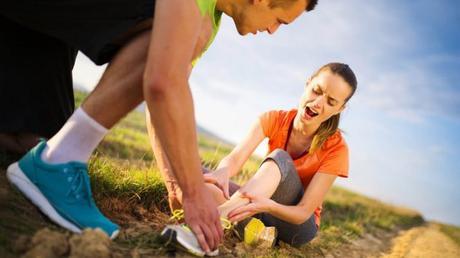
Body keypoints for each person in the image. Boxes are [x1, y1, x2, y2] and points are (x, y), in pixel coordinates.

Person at [2, 0, 318, 254]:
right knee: (180, 31)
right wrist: (193, 191)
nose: (274, 31)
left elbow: (165, 97)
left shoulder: (210, 17)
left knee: (31, 138)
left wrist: (175, 185)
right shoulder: (199, 20)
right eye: (280, 20)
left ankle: (52, 155)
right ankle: (58, 161)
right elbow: (162, 83)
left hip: (32, 25)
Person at [161, 62, 357, 252]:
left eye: (331, 102)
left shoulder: (337, 149)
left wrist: (269, 206)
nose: (318, 102)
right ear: (308, 83)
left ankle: (210, 228)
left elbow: (303, 212)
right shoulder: (273, 119)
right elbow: (236, 159)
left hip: (296, 225)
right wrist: (223, 172)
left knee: (280, 157)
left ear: (340, 109)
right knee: (194, 175)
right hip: (258, 206)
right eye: (317, 90)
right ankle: (252, 229)